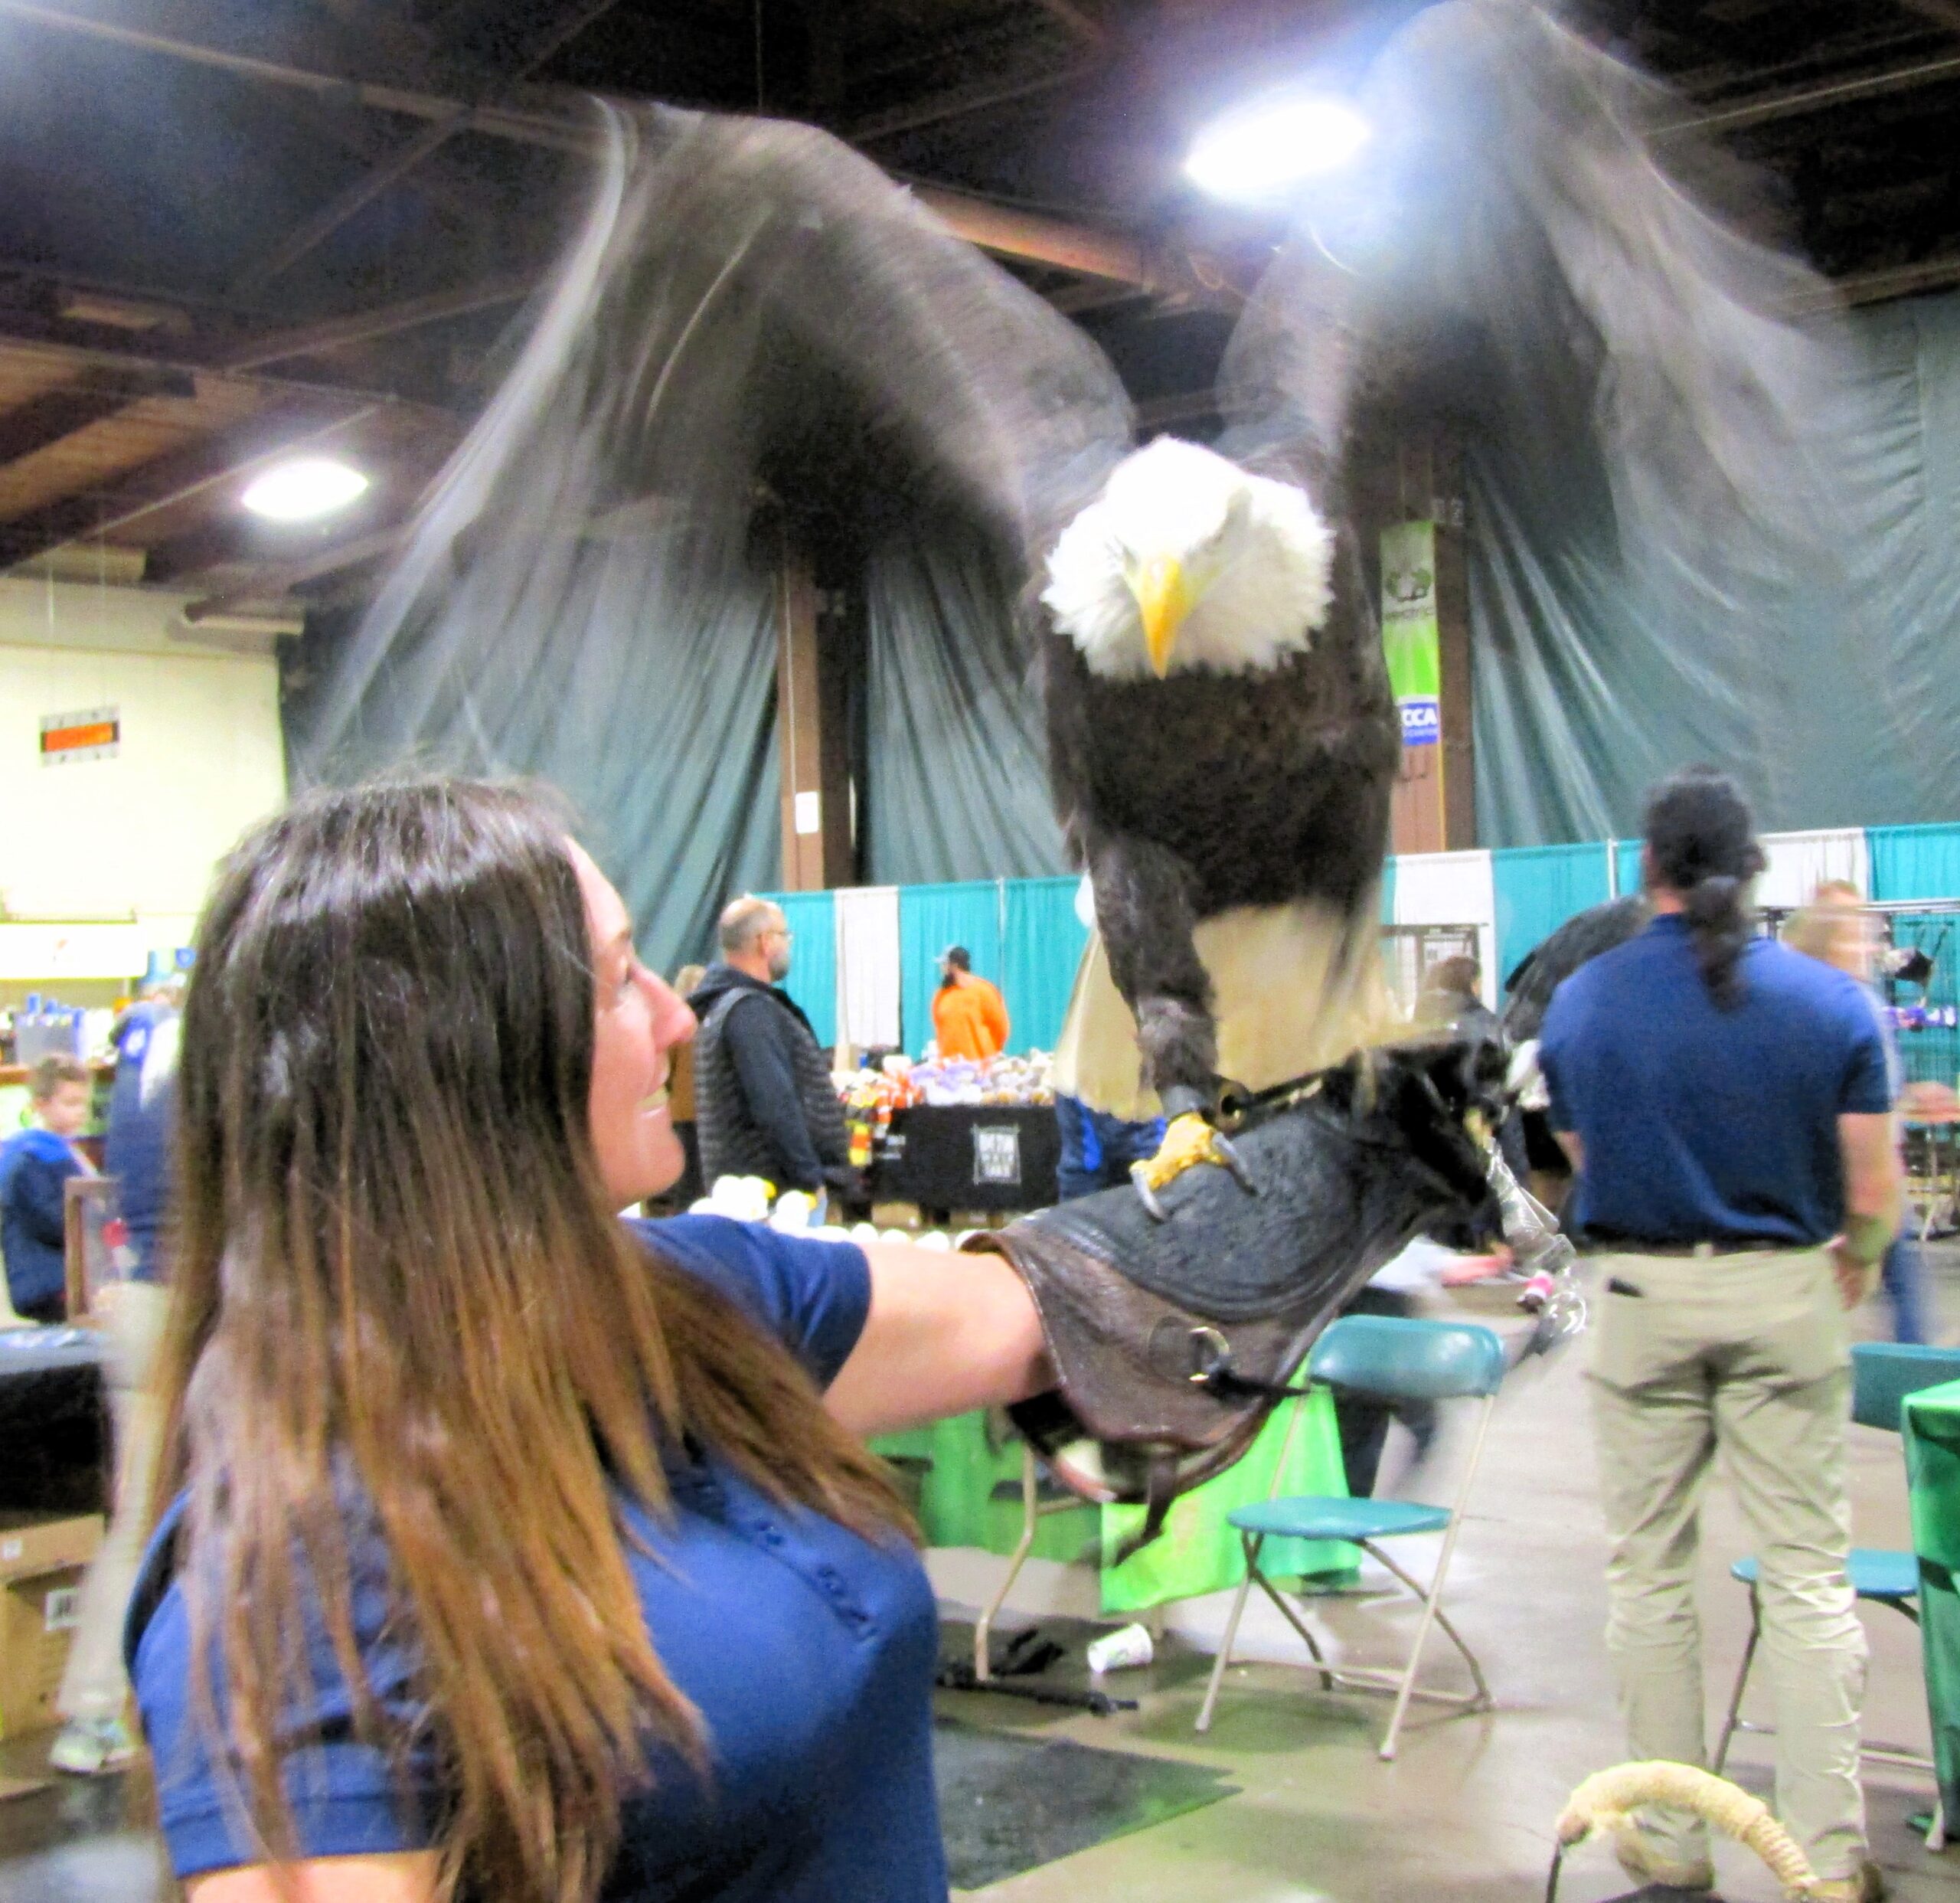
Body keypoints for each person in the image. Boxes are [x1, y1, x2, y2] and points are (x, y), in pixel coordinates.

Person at [127, 780, 1052, 1903]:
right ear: (468, 1061)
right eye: (621, 980)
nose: (675, 1018)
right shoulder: (294, 1570)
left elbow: (1046, 1312)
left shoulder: (690, 1290)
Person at [1540, 767, 1900, 1903]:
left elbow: (1582, 1159)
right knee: (1804, 1575)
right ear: (1753, 873)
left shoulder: (1582, 1002)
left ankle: (1669, 1837)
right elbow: (1875, 1185)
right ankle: (1827, 1860)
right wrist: (1862, 1256)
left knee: (1648, 1575)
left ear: (1648, 872)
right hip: (1786, 1298)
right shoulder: (1831, 1005)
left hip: (1641, 1302)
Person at [50, 978, 181, 1774]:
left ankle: (101, 1708)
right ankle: (99, 1712)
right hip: (186, 1304)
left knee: (138, 1516)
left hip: (135, 1300)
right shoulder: (212, 1062)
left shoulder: (140, 1067)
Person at [1787, 884, 1932, 1345]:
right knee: (1894, 1287)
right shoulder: (1847, 1007)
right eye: (1855, 936)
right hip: (1863, 1176)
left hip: (1853, 1175)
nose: (1869, 947)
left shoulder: (1835, 1003)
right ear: (1829, 943)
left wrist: (1911, 1098)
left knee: (1894, 1285)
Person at [688, 897, 854, 1201]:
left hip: (753, 1190)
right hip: (774, 1196)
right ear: (765, 942)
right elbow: (775, 1103)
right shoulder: (748, 1011)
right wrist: (809, 1179)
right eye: (784, 935)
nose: (788, 944)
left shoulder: (727, 1006)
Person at [0, 1054, 94, 1323]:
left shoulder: (67, 1153)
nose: (80, 1112)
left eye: (83, 1104)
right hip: (49, 1278)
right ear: (40, 1105)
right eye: (70, 1103)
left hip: (66, 1275)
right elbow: (53, 1219)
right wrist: (94, 1226)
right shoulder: (31, 1156)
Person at [930, 946, 1009, 1063]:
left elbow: (1001, 1028)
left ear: (954, 966)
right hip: (950, 1068)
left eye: (944, 964)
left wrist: (989, 1056)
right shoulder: (941, 996)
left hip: (980, 1066)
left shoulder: (984, 991)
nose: (942, 969)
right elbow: (939, 1028)